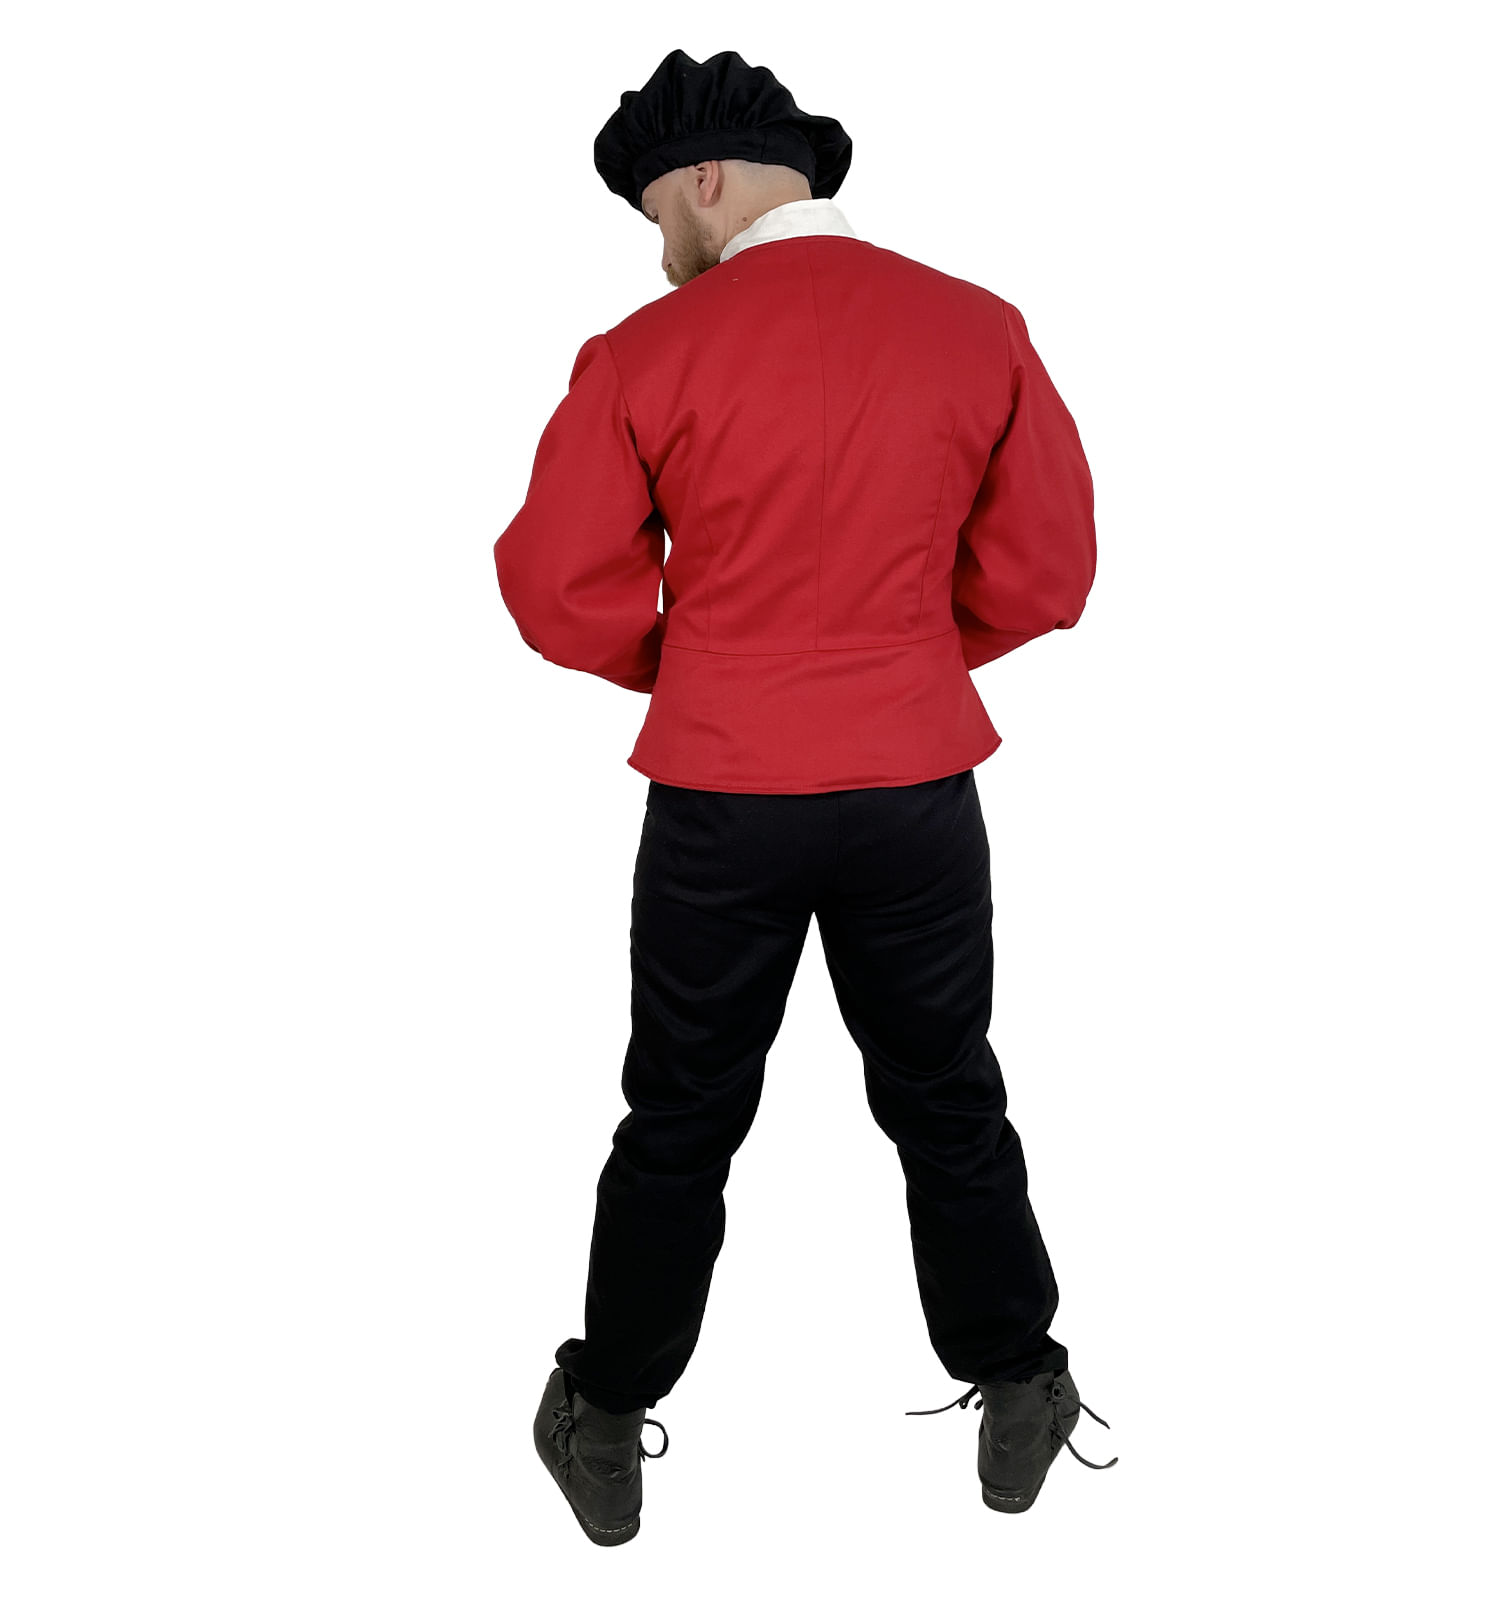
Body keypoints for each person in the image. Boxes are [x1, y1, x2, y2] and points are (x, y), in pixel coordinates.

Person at [495, 48, 1116, 1546]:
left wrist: (711, 669)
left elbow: (559, 593)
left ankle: (604, 1412)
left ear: (706, 178)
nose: (662, 249)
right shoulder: (978, 327)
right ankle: (1020, 1380)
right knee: (948, 1093)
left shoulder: (643, 352)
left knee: (681, 1110)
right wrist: (902, 659)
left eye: (659, 213)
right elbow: (1048, 572)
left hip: (723, 796)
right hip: (916, 789)